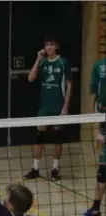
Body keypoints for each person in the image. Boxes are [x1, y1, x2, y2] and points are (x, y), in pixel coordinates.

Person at [25, 36, 73, 181]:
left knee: (58, 138)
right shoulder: (43, 62)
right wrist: (38, 59)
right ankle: (35, 168)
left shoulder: (63, 62)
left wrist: (65, 107)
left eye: (51, 45)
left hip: (59, 106)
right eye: (47, 45)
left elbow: (70, 85)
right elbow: (30, 78)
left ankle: (55, 169)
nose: (49, 47)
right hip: (44, 107)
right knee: (39, 136)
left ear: (56, 47)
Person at [82, 57, 106, 216]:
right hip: (103, 116)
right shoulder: (99, 65)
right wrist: (96, 129)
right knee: (103, 168)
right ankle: (96, 208)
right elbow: (95, 99)